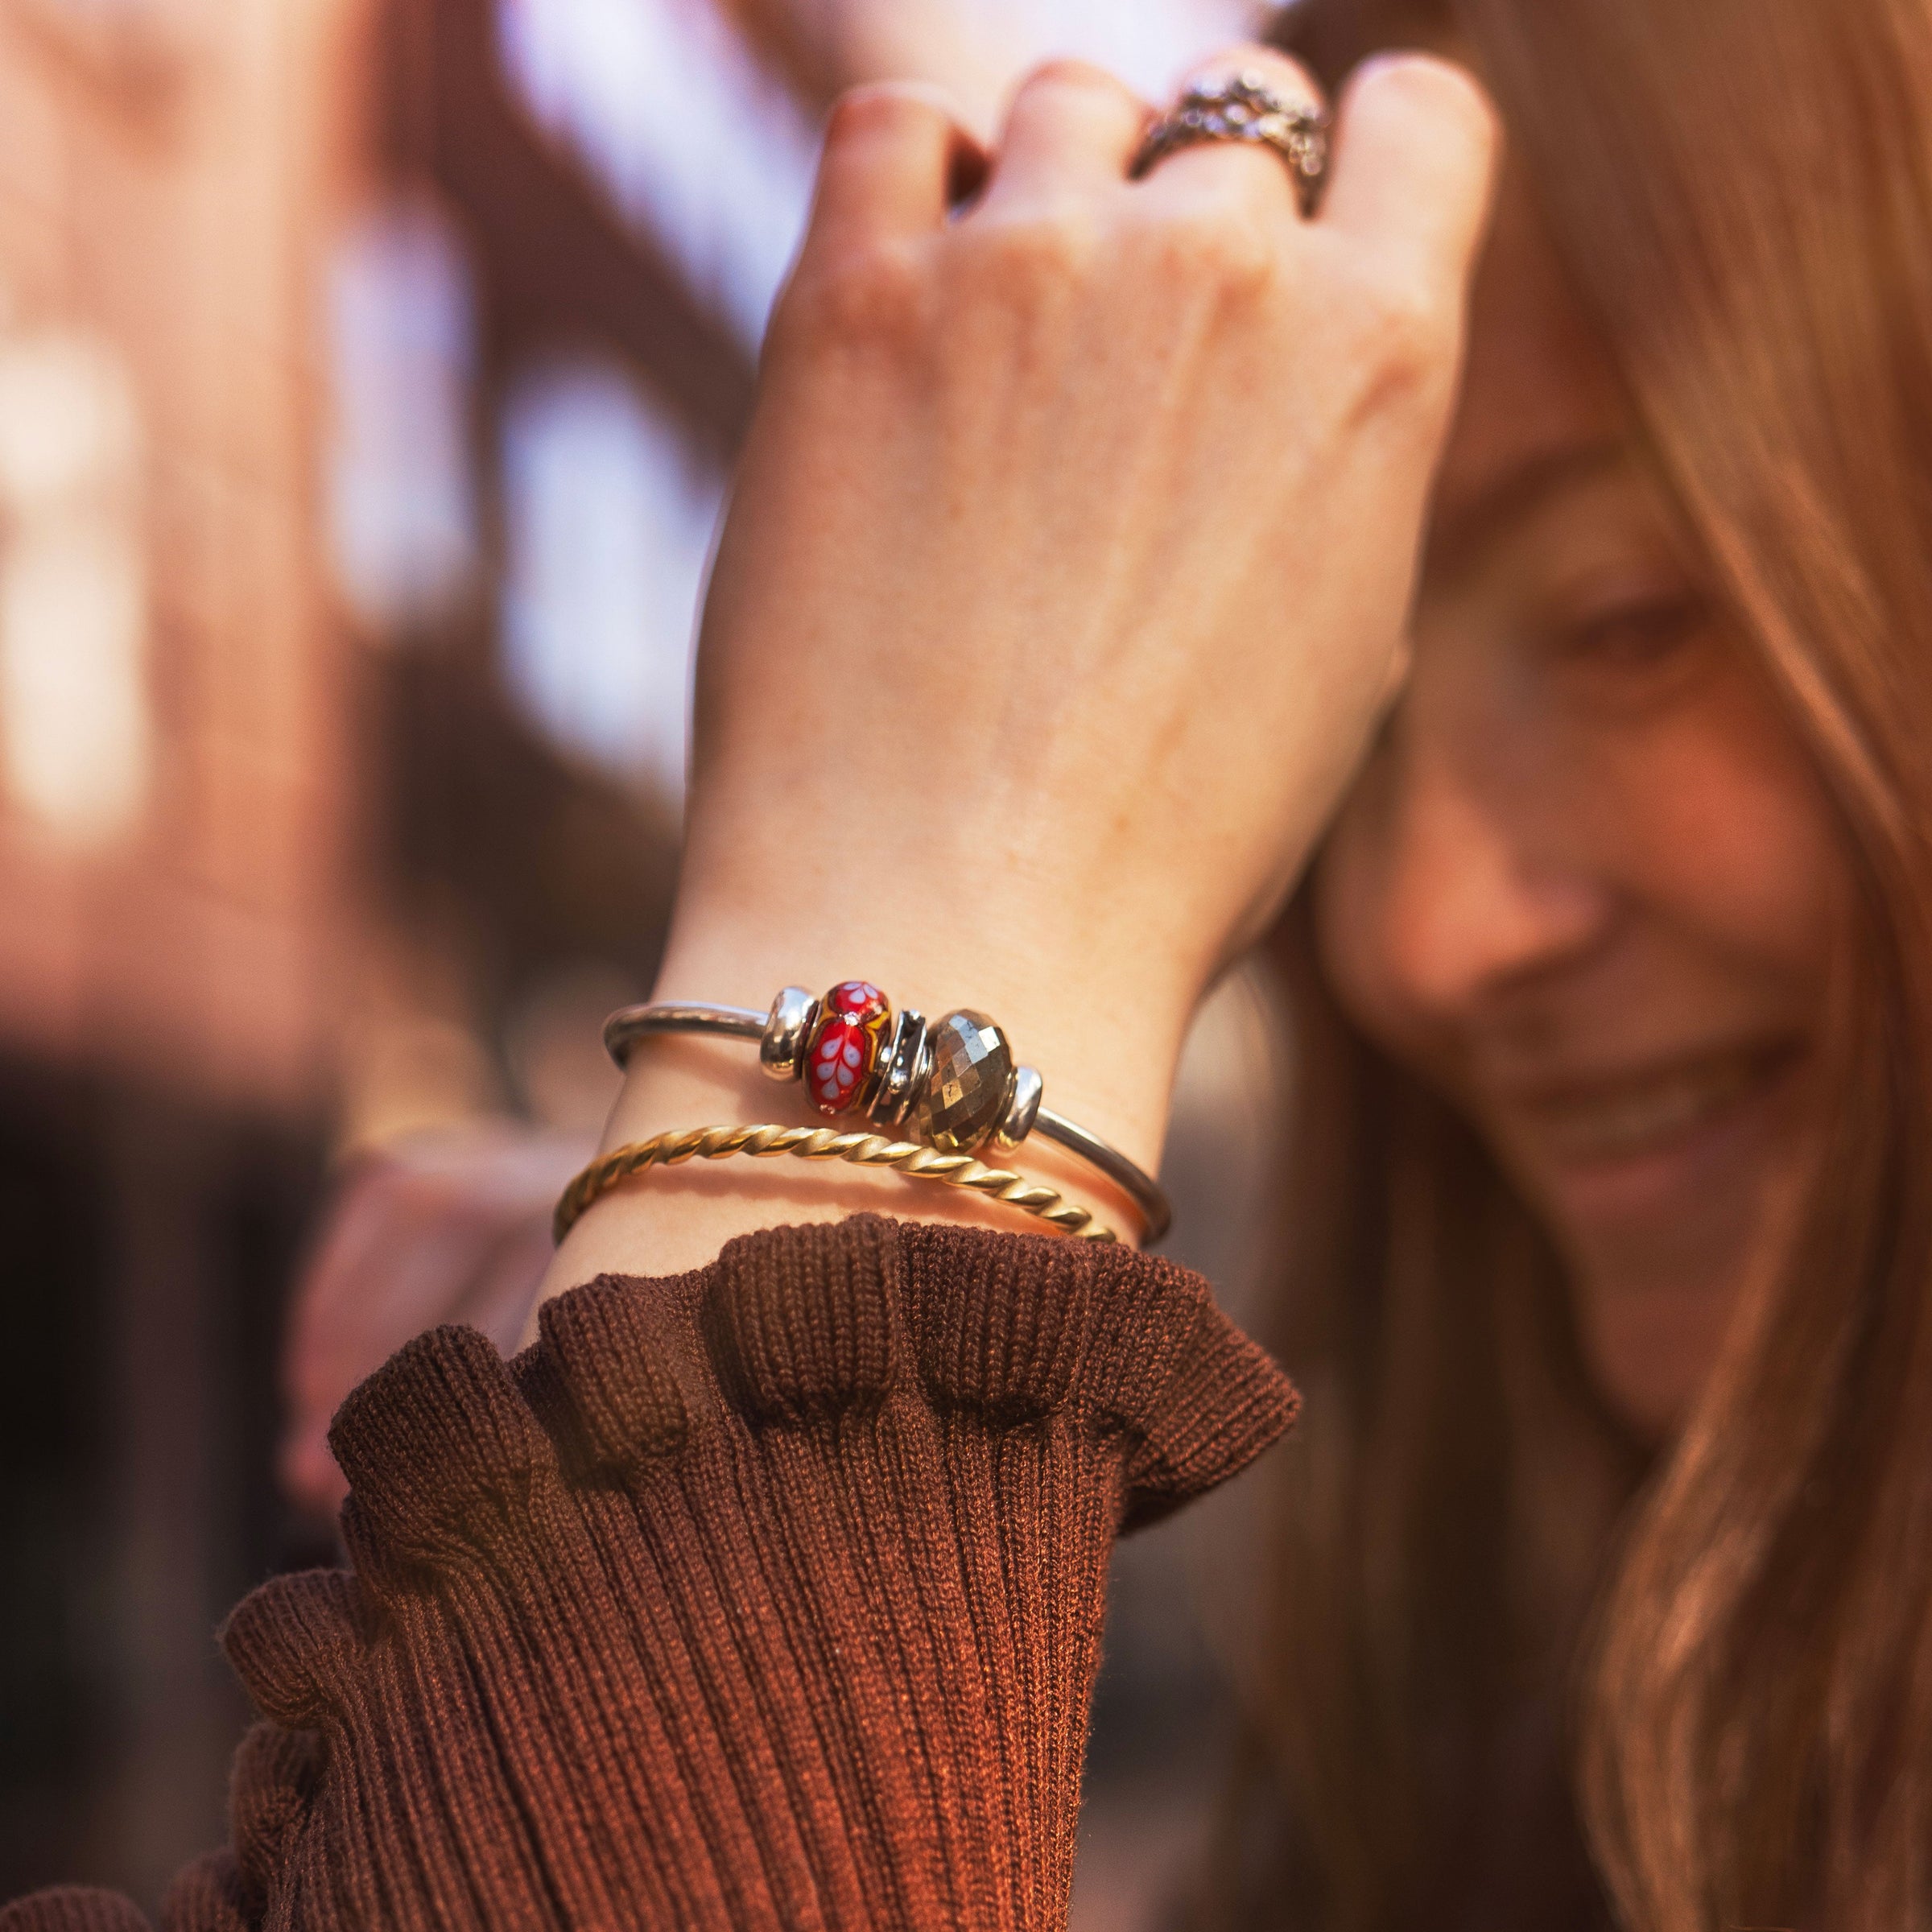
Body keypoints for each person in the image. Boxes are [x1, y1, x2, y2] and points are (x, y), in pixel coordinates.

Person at [7, 0, 1926, 1926]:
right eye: (1353, 741)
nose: (1417, 933)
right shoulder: (1505, 1776)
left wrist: (789, 1232)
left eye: (1630, 624)